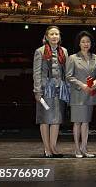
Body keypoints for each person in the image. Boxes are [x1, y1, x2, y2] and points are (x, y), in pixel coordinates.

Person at [33, 25, 69, 158]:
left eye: (57, 34)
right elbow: (37, 73)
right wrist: (37, 90)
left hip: (60, 88)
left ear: (59, 37)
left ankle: (53, 147)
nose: (54, 36)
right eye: (52, 34)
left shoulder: (63, 51)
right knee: (45, 118)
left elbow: (66, 71)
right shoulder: (40, 51)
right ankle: (46, 148)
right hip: (45, 89)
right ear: (47, 37)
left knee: (57, 119)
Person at [66, 30, 96, 158]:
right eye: (83, 42)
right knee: (77, 122)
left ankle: (84, 148)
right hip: (77, 94)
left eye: (88, 41)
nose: (86, 44)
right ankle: (76, 149)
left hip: (90, 94)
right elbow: (69, 76)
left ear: (91, 43)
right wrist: (82, 85)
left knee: (86, 122)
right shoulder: (73, 58)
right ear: (79, 44)